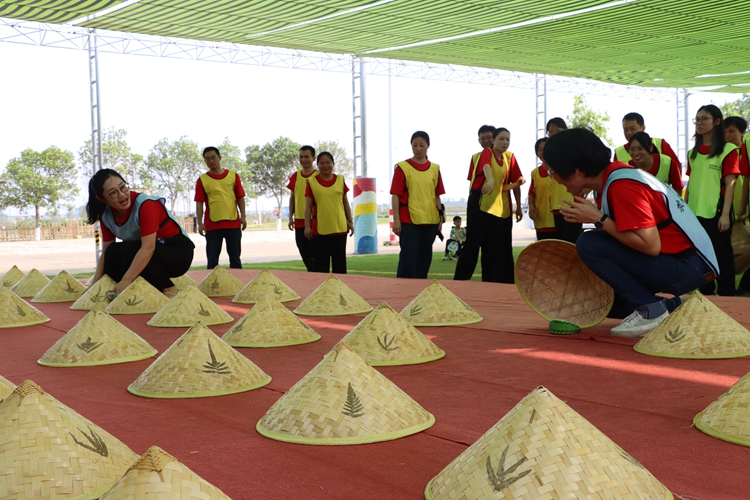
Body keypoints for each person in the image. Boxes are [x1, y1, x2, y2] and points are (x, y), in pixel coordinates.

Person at [545, 128, 718, 337]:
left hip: (688, 266)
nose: (554, 179)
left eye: (552, 172)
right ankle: (674, 306)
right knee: (611, 304)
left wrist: (598, 219)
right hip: (688, 263)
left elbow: (650, 246)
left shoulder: (621, 186)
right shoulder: (614, 178)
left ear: (575, 171)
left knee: (589, 243)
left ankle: (652, 311)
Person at [86, 169, 195, 296]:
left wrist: (126, 280)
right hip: (148, 253)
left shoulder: (146, 205)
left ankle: (169, 289)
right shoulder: (106, 215)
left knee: (129, 251)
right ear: (101, 198)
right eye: (113, 193)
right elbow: (106, 251)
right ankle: (123, 290)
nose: (122, 194)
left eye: (123, 187)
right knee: (113, 252)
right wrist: (94, 286)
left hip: (178, 253)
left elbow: (148, 248)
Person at [454, 127, 525, 283]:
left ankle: (499, 282)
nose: (504, 142)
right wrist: (491, 179)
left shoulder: (509, 158)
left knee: (497, 247)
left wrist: (518, 206)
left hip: (500, 207)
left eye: (507, 139)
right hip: (480, 203)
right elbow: (485, 169)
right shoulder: (482, 155)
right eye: (501, 139)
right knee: (472, 244)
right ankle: (459, 280)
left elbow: (514, 183)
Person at [686, 105, 740, 296]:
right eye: (697, 119)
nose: (699, 123)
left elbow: (731, 184)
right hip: (694, 214)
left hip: (717, 213)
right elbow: (691, 184)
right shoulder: (692, 153)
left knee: (722, 256)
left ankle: (727, 296)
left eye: (704, 119)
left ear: (717, 121)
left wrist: (725, 215)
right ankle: (706, 294)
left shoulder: (728, 150)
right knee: (700, 256)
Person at [391, 131, 445, 279]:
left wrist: (440, 219)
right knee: (408, 259)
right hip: (409, 220)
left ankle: (420, 292)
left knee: (424, 259)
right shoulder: (402, 167)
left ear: (428, 146)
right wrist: (396, 220)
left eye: (422, 145)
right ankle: (402, 291)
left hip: (430, 220)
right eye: (415, 145)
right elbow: (395, 195)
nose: (418, 149)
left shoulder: (435, 168)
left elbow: (437, 196)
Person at [194, 146, 247, 269]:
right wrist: (200, 223)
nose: (211, 161)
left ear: (219, 158)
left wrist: (243, 216)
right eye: (207, 159)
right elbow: (199, 202)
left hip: (233, 223)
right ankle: (211, 287)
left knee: (235, 259)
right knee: (212, 261)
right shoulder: (202, 180)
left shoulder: (233, 176)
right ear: (205, 161)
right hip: (212, 225)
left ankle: (238, 285)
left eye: (213, 157)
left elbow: (240, 198)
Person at [304, 151, 353, 274]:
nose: (325, 165)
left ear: (333, 164)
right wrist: (307, 226)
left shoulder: (340, 180)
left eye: (328, 162)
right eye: (322, 163)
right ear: (317, 164)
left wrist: (350, 221)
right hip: (321, 230)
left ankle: (341, 291)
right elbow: (308, 206)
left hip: (340, 229)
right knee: (321, 266)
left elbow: (345, 203)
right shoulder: (312, 182)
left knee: (340, 265)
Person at [725, 116, 750, 294]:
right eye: (725, 131)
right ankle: (733, 287)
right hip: (729, 211)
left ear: (742, 133)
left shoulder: (745, 151)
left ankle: (742, 285)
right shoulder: (723, 153)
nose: (727, 135)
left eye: (732, 131)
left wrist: (743, 209)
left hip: (745, 212)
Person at [288, 145, 318, 271]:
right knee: (304, 253)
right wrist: (290, 217)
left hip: (315, 221)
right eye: (301, 157)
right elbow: (292, 198)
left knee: (315, 255)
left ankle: (318, 279)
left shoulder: (318, 175)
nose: (303, 160)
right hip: (299, 221)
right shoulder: (295, 176)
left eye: (306, 157)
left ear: (313, 158)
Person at [614, 112, 681, 167]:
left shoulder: (661, 144)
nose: (629, 133)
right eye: (625, 130)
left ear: (643, 128)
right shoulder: (618, 152)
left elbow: (676, 166)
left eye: (632, 129)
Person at [528, 138, 557, 240]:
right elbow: (531, 193)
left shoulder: (560, 169)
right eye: (540, 149)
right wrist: (531, 208)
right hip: (541, 220)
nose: (543, 152)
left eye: (545, 149)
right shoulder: (535, 173)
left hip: (558, 221)